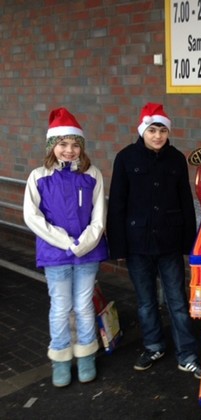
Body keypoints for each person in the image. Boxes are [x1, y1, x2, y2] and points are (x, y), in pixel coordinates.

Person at [106, 103, 201, 379]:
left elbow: (184, 202)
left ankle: (187, 354)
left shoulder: (176, 159)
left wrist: (191, 243)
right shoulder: (126, 158)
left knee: (178, 300)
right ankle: (153, 345)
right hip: (137, 242)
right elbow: (117, 203)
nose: (157, 136)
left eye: (162, 130)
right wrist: (117, 245)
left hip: (169, 242)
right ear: (143, 130)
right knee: (145, 301)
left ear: (168, 132)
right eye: (152, 130)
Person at [23, 107, 109, 387]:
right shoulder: (38, 176)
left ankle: (86, 355)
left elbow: (99, 214)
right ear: (52, 146)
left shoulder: (92, 174)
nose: (69, 150)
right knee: (60, 306)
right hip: (55, 253)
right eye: (63, 144)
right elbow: (31, 216)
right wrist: (64, 241)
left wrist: (85, 242)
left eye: (74, 145)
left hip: (87, 253)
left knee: (83, 305)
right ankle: (60, 359)